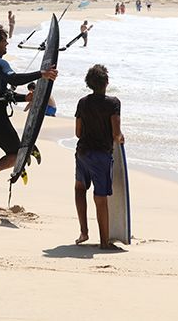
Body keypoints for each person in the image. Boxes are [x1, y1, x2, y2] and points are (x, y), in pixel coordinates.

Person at [0, 25, 58, 211]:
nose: (6, 44)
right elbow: (14, 80)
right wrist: (42, 73)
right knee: (17, 155)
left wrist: (24, 98)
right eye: (4, 41)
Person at [74, 64, 123, 250]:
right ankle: (104, 242)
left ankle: (84, 231)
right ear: (107, 82)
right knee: (100, 197)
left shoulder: (82, 102)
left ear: (89, 84)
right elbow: (116, 134)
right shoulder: (113, 103)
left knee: (80, 189)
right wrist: (121, 137)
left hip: (82, 153)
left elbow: (78, 132)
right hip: (101, 156)